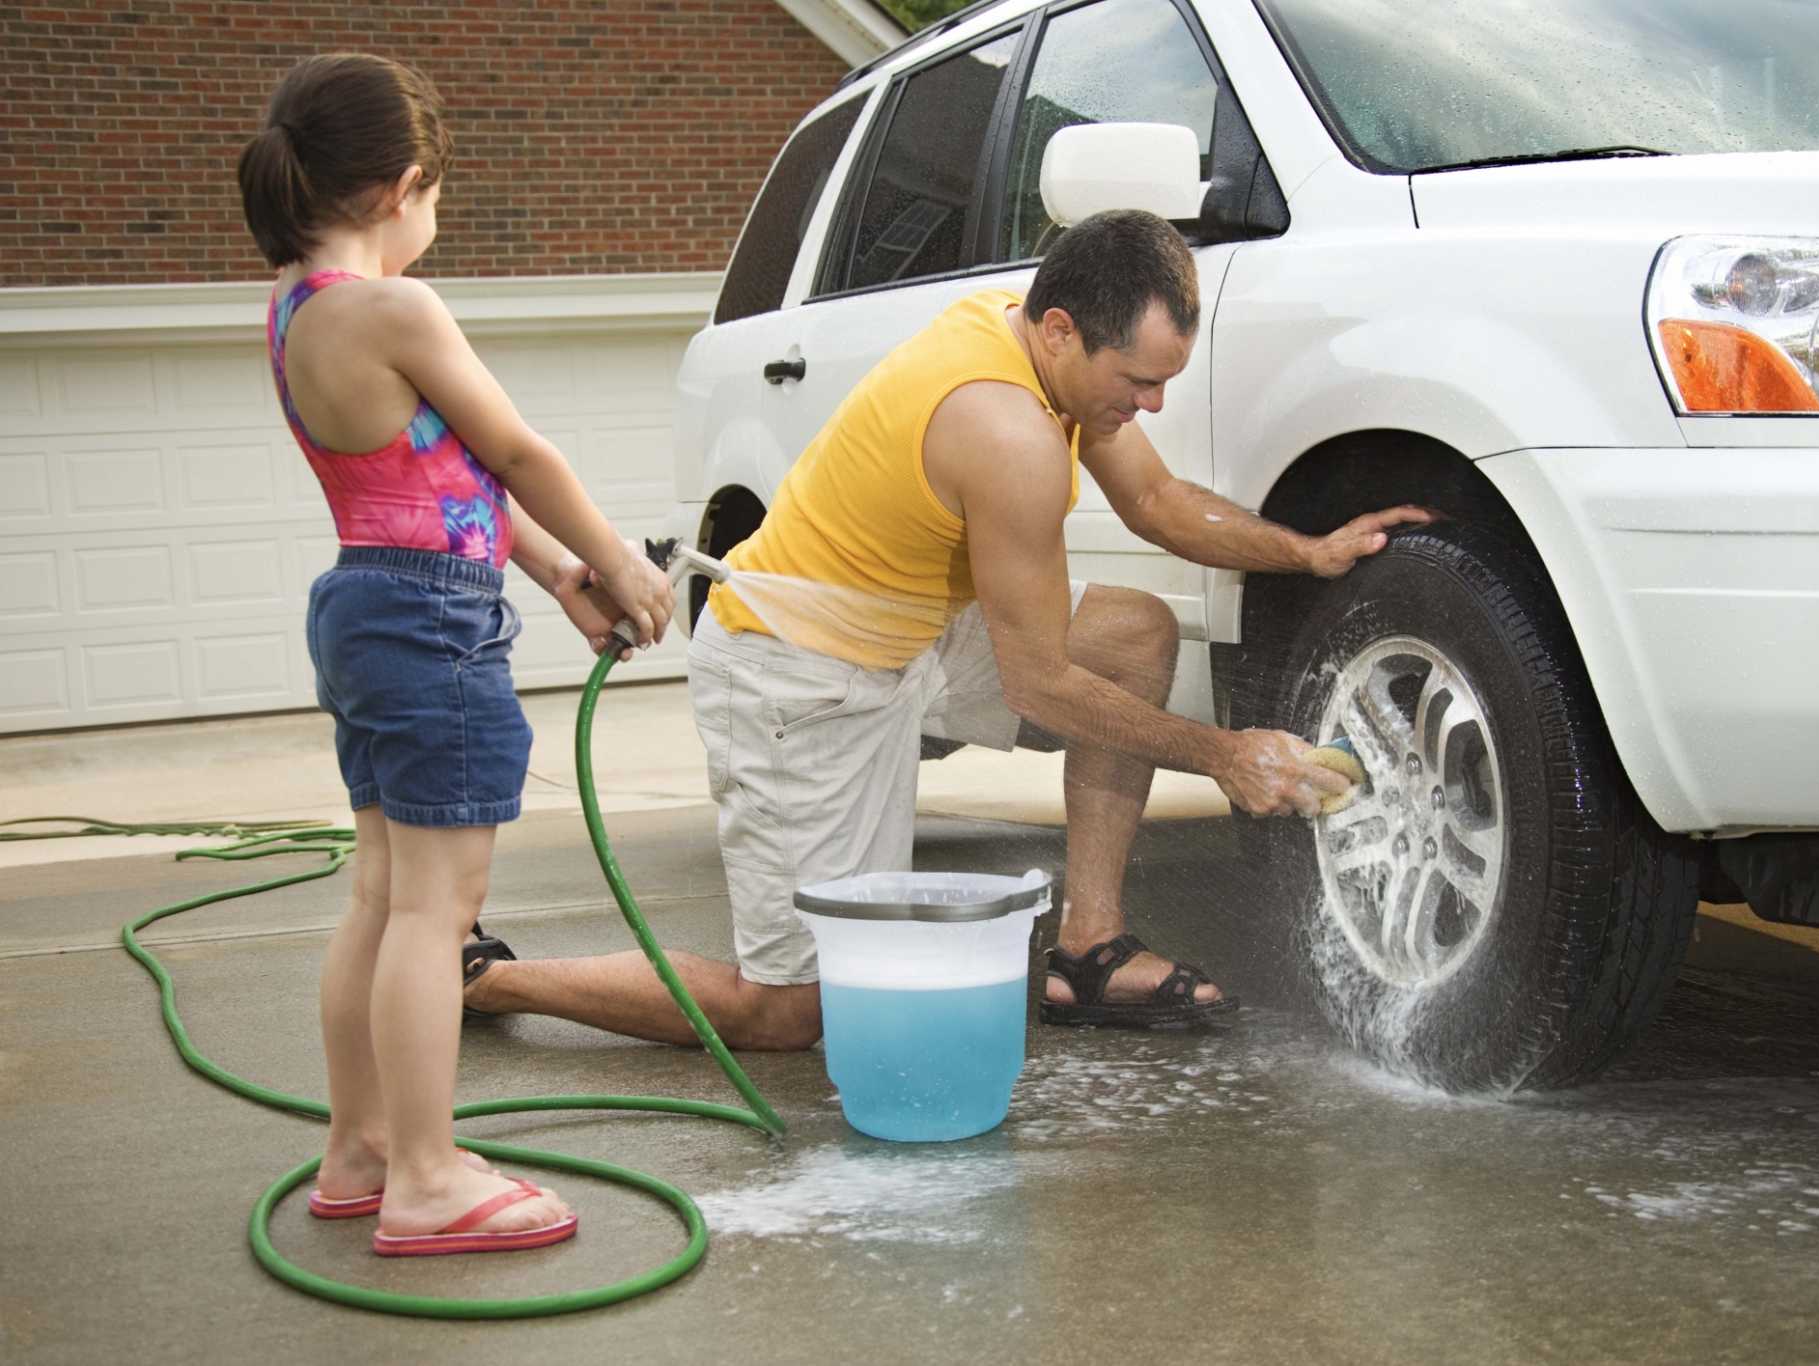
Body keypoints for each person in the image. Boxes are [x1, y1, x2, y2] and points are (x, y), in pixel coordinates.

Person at [464, 208, 1429, 1046]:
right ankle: (488, 978)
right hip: (794, 670)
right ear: (1060, 331)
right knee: (791, 1012)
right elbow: (1039, 683)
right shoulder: (1006, 431)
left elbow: (1158, 499)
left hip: (907, 631)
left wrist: (1308, 551)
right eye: (1139, 381)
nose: (1152, 405)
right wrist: (1224, 754)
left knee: (1133, 634)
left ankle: (1088, 948)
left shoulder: (1026, 335)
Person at [238, 53, 674, 1256]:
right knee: (439, 910)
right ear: (403, 185)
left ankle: (362, 1145)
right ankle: (427, 1177)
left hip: (371, 602)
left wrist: (558, 579)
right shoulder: (395, 307)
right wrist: (624, 565)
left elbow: (440, 477)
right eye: (435, 198)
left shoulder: (293, 309)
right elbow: (518, 452)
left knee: (384, 898)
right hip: (428, 619)